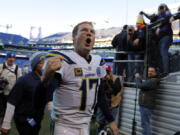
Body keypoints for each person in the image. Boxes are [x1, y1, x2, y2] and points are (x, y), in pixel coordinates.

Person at [34, 21, 119, 135]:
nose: (89, 34)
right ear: (74, 38)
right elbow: (39, 99)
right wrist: (45, 78)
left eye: (92, 32)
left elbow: (99, 94)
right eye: (84, 30)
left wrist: (111, 120)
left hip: (85, 125)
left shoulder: (99, 61)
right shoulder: (63, 60)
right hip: (64, 125)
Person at [0, 52, 47, 135]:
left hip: (36, 117)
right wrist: (6, 124)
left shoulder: (43, 80)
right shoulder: (24, 80)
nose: (43, 65)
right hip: (25, 117)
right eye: (40, 63)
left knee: (34, 131)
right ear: (35, 64)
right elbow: (12, 102)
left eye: (44, 62)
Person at [96, 65, 123, 134]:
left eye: (107, 71)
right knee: (99, 122)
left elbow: (116, 90)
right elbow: (99, 91)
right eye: (104, 71)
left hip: (113, 104)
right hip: (103, 104)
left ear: (110, 71)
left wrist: (109, 81)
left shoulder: (115, 78)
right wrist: (103, 81)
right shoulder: (100, 78)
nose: (106, 73)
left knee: (110, 124)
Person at [135, 67, 160, 135]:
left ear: (156, 73)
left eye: (152, 71)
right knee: (145, 123)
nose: (149, 72)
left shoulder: (153, 81)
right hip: (145, 105)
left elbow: (140, 85)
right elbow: (143, 85)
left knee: (145, 124)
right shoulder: (151, 80)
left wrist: (137, 78)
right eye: (149, 71)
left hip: (146, 106)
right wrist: (140, 78)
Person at [0, 52, 22, 125]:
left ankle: (4, 124)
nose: (11, 59)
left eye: (13, 58)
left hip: (10, 94)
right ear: (7, 58)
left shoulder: (17, 69)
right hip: (1, 92)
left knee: (7, 110)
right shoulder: (1, 66)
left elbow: (19, 82)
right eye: (10, 57)